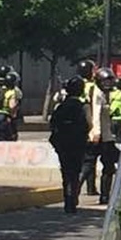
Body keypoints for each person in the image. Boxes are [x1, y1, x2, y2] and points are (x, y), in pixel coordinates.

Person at [49, 77, 90, 213]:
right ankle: (73, 199)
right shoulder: (83, 106)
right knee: (75, 172)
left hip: (63, 144)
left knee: (66, 173)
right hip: (78, 144)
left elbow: (53, 123)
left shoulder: (60, 106)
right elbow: (89, 125)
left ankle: (68, 200)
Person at [82, 67, 120, 204]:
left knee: (100, 166)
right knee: (101, 166)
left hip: (103, 135)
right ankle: (102, 196)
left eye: (110, 81)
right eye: (105, 82)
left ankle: (103, 196)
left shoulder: (100, 92)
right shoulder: (97, 94)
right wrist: (96, 133)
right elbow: (96, 113)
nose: (108, 85)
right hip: (100, 137)